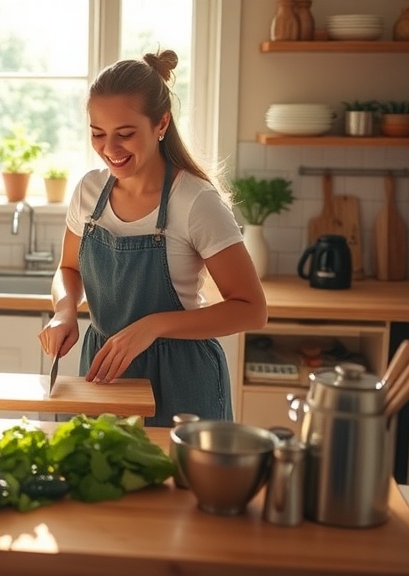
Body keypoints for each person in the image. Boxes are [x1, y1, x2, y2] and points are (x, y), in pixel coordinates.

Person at [38, 50, 267, 426]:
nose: (110, 149)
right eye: (98, 134)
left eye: (125, 134)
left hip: (182, 382)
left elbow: (252, 309)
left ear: (161, 123)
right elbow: (68, 269)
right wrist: (64, 311)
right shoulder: (88, 192)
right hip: (105, 371)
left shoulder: (195, 202)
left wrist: (153, 325)